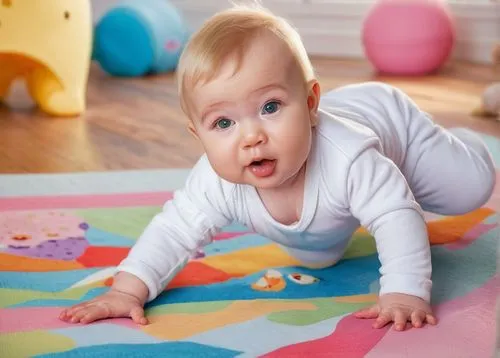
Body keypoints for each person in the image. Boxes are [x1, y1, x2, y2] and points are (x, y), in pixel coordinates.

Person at [59, 3, 496, 331]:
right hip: (323, 201)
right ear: (199, 136)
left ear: (309, 104)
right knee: (319, 254)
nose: (251, 136)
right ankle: (330, 210)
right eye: (224, 122)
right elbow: (173, 232)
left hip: (392, 128)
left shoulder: (348, 157)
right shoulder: (216, 180)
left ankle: (470, 145)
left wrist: (403, 293)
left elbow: (397, 216)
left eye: (270, 106)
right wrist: (125, 290)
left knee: (467, 188)